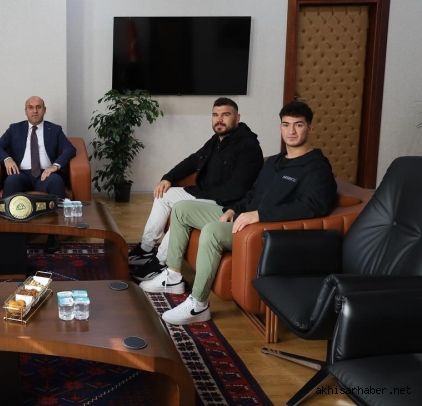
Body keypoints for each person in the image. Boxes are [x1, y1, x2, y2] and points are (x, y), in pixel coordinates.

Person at [141, 101, 338, 325]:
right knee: (181, 209)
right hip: (244, 217)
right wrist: (234, 209)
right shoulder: (274, 161)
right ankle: (173, 276)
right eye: (286, 125)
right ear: (281, 127)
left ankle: (198, 305)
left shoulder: (316, 167)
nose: (291, 131)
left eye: (298, 125)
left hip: (266, 229)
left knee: (212, 231)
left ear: (310, 128)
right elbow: (253, 193)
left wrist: (260, 215)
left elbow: (313, 206)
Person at [129, 98, 263, 282]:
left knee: (182, 209)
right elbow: (192, 161)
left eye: (225, 115)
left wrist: (199, 196)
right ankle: (145, 248)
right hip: (203, 194)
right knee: (164, 194)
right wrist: (168, 178)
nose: (219, 120)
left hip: (224, 203)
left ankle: (160, 261)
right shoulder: (217, 140)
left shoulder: (248, 147)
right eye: (215, 115)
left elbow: (237, 189)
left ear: (237, 118)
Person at [0, 95, 77, 253]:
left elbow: (70, 149)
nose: (35, 111)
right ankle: (11, 233)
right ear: (25, 111)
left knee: (56, 181)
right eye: (31, 107)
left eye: (38, 107)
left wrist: (55, 166)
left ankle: (54, 235)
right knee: (11, 181)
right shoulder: (15, 129)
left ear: (44, 110)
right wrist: (7, 159)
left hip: (45, 174)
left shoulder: (55, 129)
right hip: (21, 173)